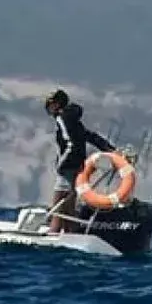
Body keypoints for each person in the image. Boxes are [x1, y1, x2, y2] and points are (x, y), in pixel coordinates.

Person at [43, 89, 114, 233]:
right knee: (69, 204)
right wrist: (110, 148)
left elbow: (70, 144)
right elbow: (89, 136)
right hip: (77, 166)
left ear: (57, 104)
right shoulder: (74, 119)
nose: (48, 108)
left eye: (50, 104)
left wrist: (61, 164)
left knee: (58, 204)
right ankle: (71, 232)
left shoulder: (62, 118)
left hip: (67, 167)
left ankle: (53, 234)